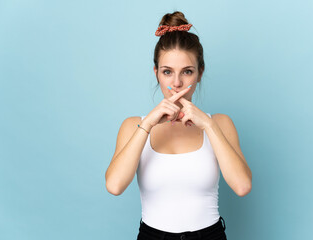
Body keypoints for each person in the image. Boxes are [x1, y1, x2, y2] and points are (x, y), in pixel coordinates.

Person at [105, 11, 252, 240]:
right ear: (156, 74)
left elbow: (242, 186)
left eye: (187, 72)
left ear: (200, 73)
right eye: (167, 72)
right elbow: (114, 186)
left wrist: (209, 125)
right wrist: (149, 124)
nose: (176, 83)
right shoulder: (133, 126)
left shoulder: (220, 123)